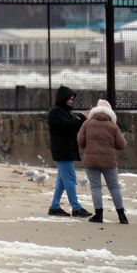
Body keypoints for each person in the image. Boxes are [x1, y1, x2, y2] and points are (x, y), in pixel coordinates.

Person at [78, 98, 129, 224]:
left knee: (95, 187)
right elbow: (121, 145)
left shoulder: (87, 123)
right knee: (114, 187)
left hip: (91, 160)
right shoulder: (113, 126)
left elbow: (80, 140)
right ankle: (122, 215)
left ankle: (98, 215)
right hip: (109, 161)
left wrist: (89, 148)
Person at [46, 85, 92, 218]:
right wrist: (82, 116)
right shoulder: (56, 112)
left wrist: (79, 116)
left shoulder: (64, 111)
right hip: (62, 151)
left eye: (73, 99)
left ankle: (54, 206)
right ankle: (76, 208)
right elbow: (68, 125)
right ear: (63, 98)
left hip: (66, 150)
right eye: (69, 98)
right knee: (70, 179)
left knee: (62, 180)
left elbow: (71, 122)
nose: (72, 101)